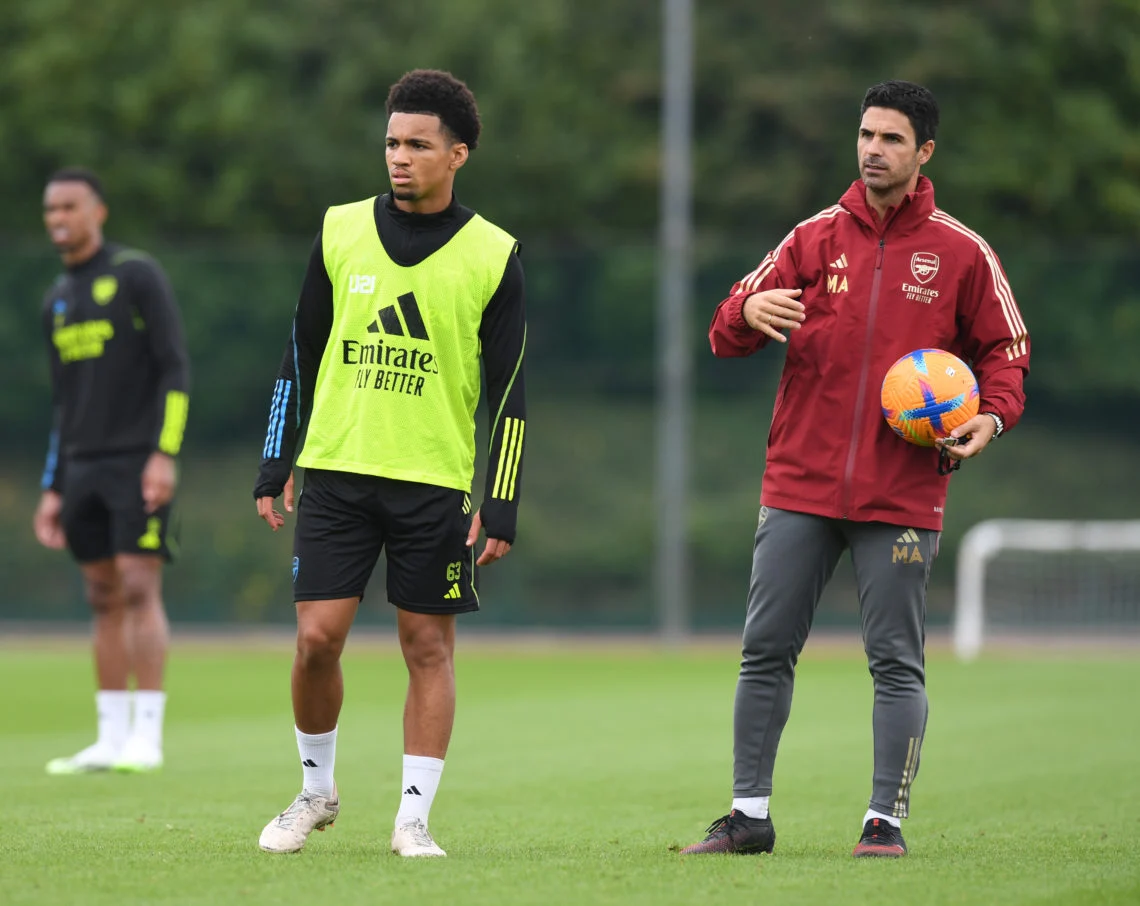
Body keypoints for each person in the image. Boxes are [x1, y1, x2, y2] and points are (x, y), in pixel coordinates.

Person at [681, 81, 1029, 858]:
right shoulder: (811, 237)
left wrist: (990, 415)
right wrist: (746, 314)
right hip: (799, 485)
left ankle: (884, 821)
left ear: (924, 152)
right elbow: (726, 324)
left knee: (895, 663)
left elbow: (1007, 351)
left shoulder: (963, 251)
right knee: (765, 649)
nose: (873, 148)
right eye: (866, 135)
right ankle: (747, 817)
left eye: (892, 139)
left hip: (903, 490)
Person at [254, 69, 527, 859]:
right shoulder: (340, 229)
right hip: (337, 468)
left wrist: (499, 499)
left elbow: (509, 392)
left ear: (458, 154)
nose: (399, 157)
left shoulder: (493, 253)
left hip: (433, 481)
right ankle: (315, 791)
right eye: (391, 143)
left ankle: (413, 817)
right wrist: (277, 458)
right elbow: (299, 352)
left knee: (427, 647)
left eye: (417, 145)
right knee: (316, 639)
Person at [34, 168, 191, 775]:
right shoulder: (55, 300)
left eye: (70, 206)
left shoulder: (135, 275)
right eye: (50, 210)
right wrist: (52, 486)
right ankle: (108, 736)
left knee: (137, 586)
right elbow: (61, 405)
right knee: (100, 594)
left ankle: (146, 736)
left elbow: (175, 369)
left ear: (97, 211)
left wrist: (163, 453)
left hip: (135, 462)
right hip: (78, 469)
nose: (58, 219)